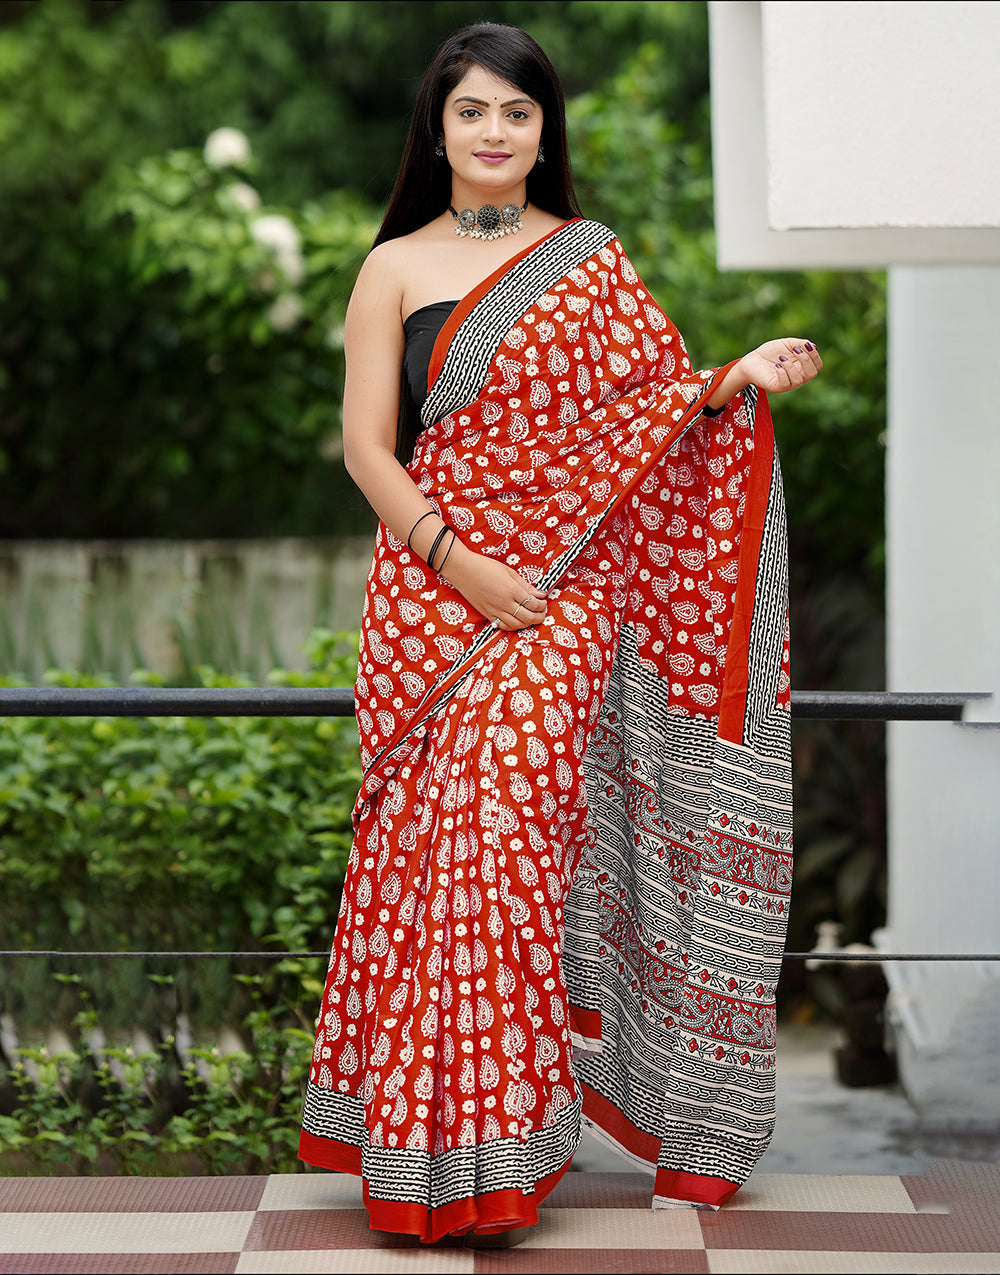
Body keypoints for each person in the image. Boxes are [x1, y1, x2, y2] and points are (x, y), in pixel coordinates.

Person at [298, 21, 821, 1246]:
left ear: (544, 132)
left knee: (508, 850)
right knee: (433, 865)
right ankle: (421, 1154)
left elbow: (654, 413)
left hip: (557, 601)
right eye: (472, 111)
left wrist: (733, 377)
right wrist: (458, 560)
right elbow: (367, 448)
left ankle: (498, 1157)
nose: (494, 133)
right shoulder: (392, 269)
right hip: (431, 595)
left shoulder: (586, 259)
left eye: (516, 114)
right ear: (436, 128)